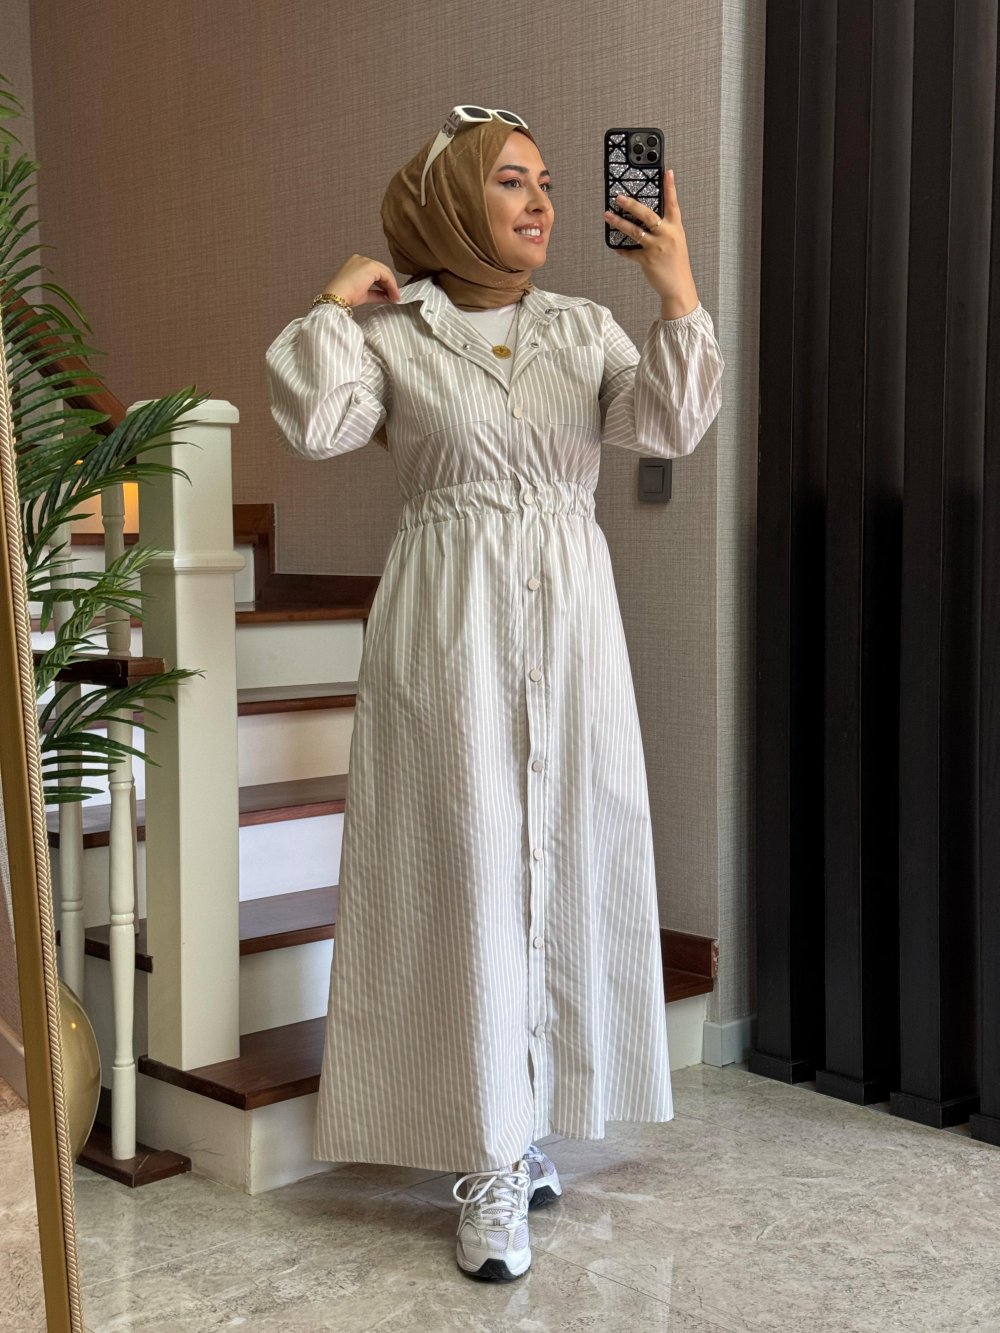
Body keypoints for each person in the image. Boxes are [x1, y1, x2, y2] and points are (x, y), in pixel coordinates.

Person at [265, 105, 724, 1284]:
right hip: (446, 620)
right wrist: (334, 304)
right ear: (450, 202)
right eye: (510, 181)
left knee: (565, 855)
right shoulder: (395, 329)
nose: (540, 203)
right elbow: (315, 425)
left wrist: (675, 290)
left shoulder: (580, 327)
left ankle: (523, 1125)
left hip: (570, 622)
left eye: (547, 182)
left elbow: (670, 425)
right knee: (460, 874)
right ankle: (484, 1161)